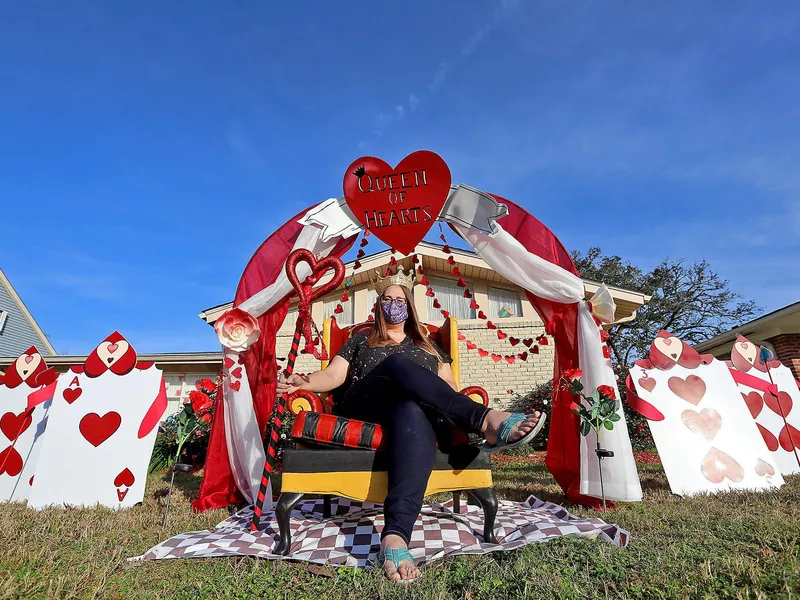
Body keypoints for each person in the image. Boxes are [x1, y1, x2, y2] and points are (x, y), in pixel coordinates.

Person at [276, 267, 545, 582]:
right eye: (387, 300)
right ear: (378, 306)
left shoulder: (429, 346)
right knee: (397, 364)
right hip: (366, 405)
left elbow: (449, 388)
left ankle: (395, 537)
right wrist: (304, 381)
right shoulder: (360, 341)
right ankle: (485, 419)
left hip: (414, 414)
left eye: (399, 300)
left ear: (410, 307)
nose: (393, 305)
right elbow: (334, 376)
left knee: (412, 409)